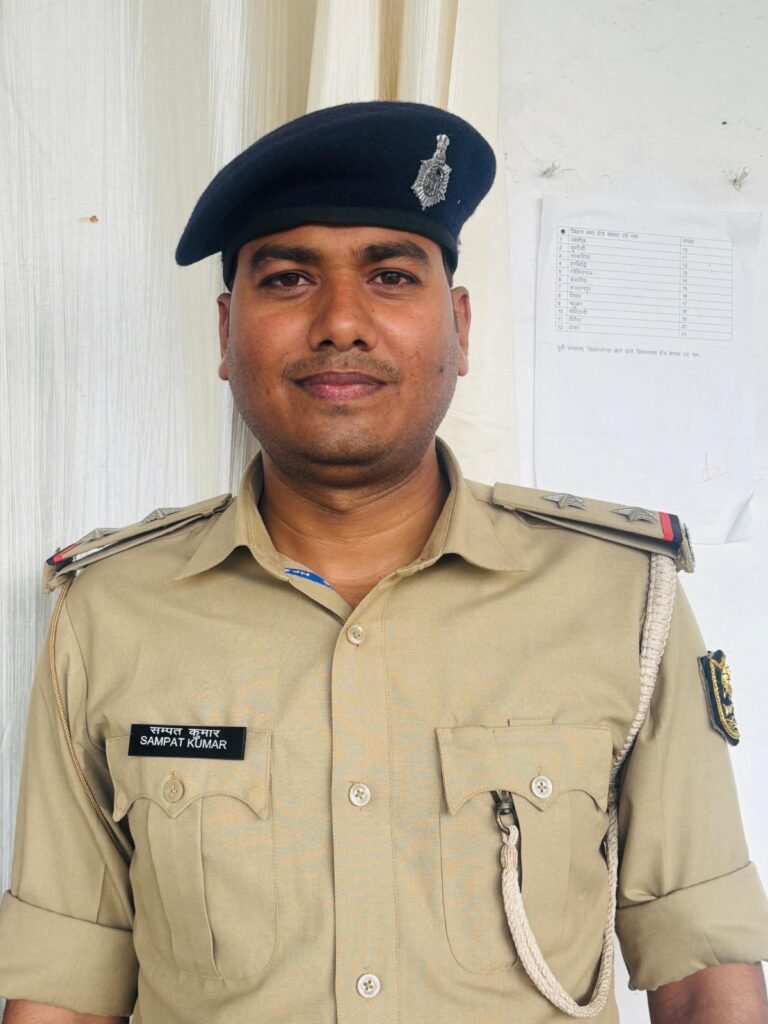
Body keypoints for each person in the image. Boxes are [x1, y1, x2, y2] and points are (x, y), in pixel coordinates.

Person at [0, 101, 766, 1024]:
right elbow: (62, 991)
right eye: (288, 278)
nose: (340, 323)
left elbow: (705, 975)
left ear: (461, 328)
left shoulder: (618, 595)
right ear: (225, 332)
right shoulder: (110, 610)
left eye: (391, 276)